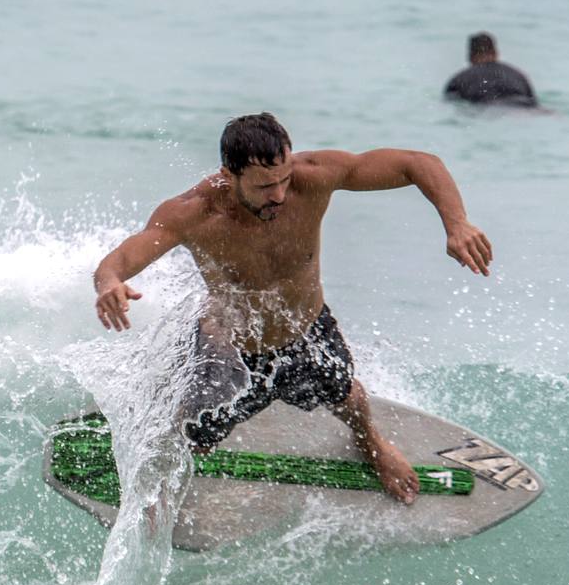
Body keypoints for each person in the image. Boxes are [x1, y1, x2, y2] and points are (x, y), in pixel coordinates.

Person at [94, 113, 492, 506]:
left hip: (305, 328)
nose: (280, 195)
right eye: (266, 186)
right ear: (230, 175)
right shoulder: (192, 212)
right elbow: (122, 259)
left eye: (284, 179)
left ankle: (371, 444)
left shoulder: (314, 175)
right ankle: (161, 482)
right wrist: (110, 283)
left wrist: (456, 224)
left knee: (348, 397)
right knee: (194, 431)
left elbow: (419, 163)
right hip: (231, 347)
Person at [444, 32, 538, 107]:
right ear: (496, 53)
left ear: (470, 57)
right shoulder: (518, 75)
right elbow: (535, 101)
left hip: (490, 108)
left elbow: (452, 105)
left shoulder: (458, 80)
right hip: (523, 105)